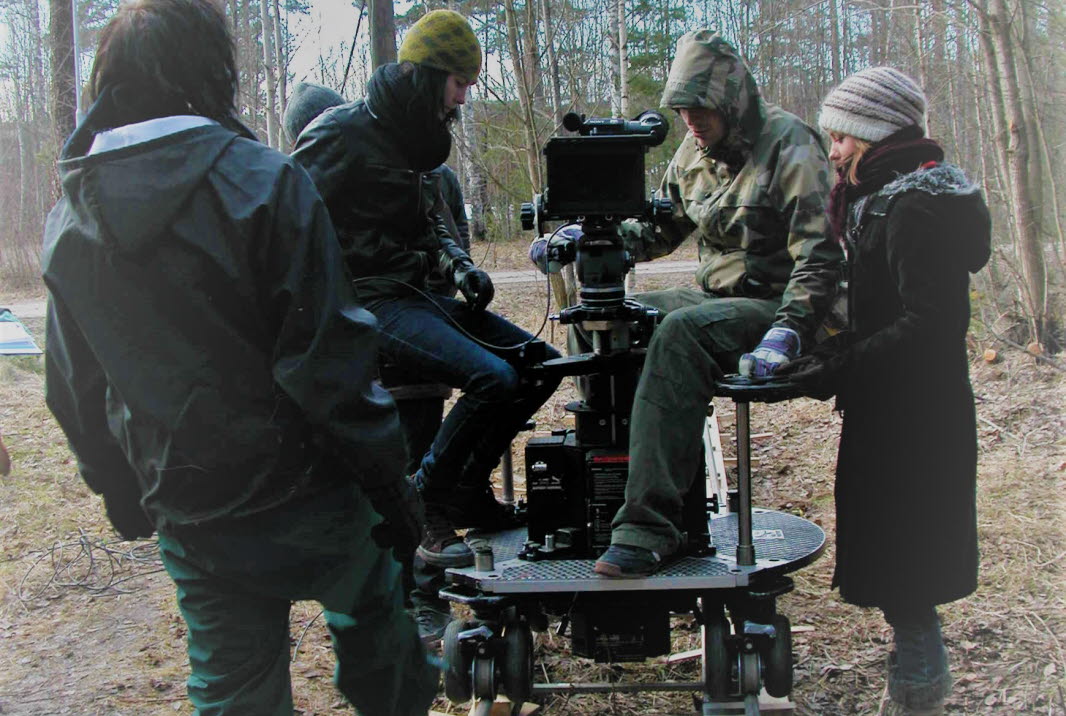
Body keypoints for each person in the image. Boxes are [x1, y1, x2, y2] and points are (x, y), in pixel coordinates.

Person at [41, 2, 437, 714]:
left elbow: (74, 385)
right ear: (210, 68)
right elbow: (332, 364)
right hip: (312, 493)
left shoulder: (70, 221)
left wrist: (121, 491)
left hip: (192, 508)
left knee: (233, 687)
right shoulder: (264, 182)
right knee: (381, 639)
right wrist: (393, 493)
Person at [529, 30, 841, 577]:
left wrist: (789, 329)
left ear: (732, 102)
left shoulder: (789, 143)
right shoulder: (693, 154)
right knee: (600, 318)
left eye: (702, 110)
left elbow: (819, 255)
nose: (692, 123)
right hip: (714, 296)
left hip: (778, 307)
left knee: (681, 333)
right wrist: (584, 238)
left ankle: (650, 526)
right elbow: (658, 229)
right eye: (684, 112)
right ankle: (610, 477)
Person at [293, 9, 560, 571]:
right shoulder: (341, 131)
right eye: (460, 83)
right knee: (493, 377)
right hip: (367, 302)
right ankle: (425, 497)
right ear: (429, 74)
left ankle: (464, 491)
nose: (463, 98)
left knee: (539, 364)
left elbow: (433, 221)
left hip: (416, 295)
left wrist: (461, 267)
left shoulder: (417, 139)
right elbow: (286, 220)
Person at [776, 67, 989, 716]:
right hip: (894, 405)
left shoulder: (914, 205)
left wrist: (837, 368)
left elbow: (931, 325)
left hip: (914, 417)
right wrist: (813, 350)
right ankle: (914, 680)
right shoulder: (885, 197)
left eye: (841, 137)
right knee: (903, 565)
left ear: (874, 134)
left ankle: (918, 693)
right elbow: (872, 302)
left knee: (908, 565)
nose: (832, 151)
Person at [285, 80, 473, 646]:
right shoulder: (308, 187)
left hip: (406, 366)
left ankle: (422, 605)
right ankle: (384, 609)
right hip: (353, 369)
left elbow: (451, 257)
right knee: (369, 494)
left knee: (414, 492)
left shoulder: (426, 174)